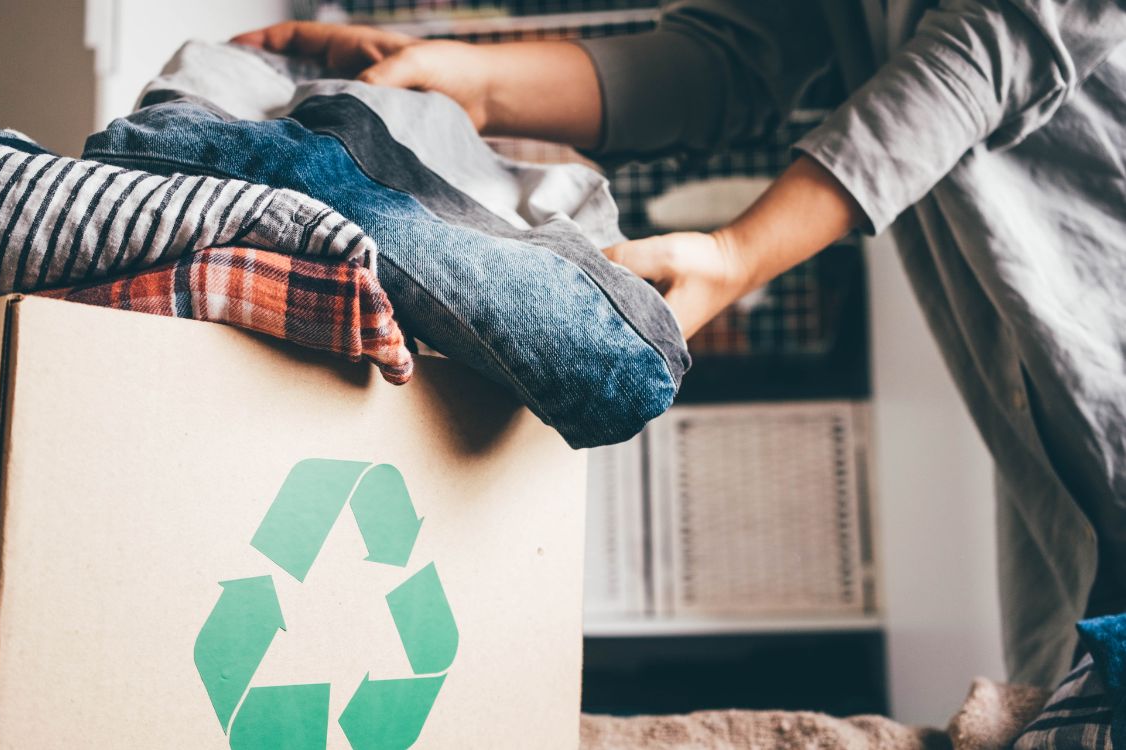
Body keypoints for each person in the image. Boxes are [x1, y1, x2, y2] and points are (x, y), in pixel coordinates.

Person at [234, 1, 1126, 688]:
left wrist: (741, 253)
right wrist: (478, 81)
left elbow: (998, 42)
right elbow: (734, 56)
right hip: (1047, 452)